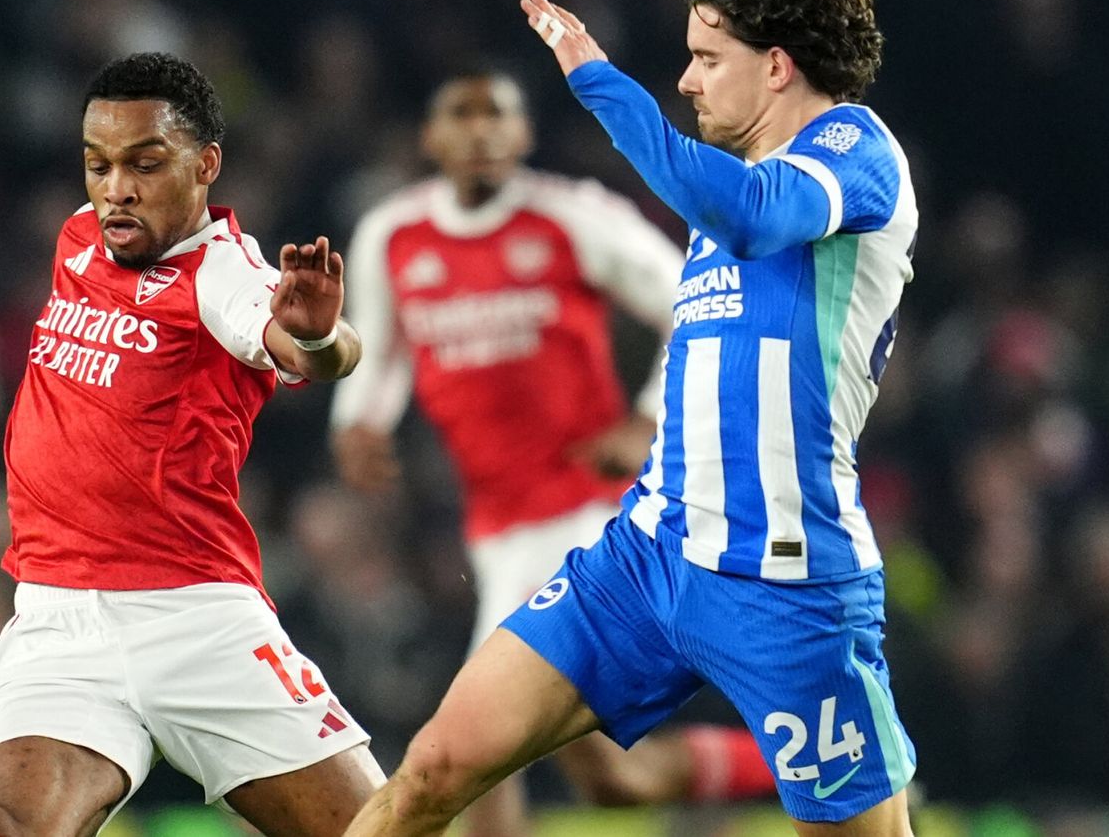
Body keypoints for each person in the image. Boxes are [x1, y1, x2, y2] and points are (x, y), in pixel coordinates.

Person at [346, 0, 919, 835]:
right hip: (645, 556)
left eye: (707, 58)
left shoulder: (854, 151)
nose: (688, 82)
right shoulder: (728, 184)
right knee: (435, 768)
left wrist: (597, 79)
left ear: (776, 67)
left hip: (787, 578)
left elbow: (752, 216)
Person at [331, 69, 776, 832]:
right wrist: (358, 422)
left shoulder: (573, 216)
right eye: (461, 113)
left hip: (587, 517)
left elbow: (701, 300)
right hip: (495, 527)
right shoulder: (391, 236)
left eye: (497, 114)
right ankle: (817, 763)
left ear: (524, 134)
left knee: (468, 749)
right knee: (613, 780)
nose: (481, 130)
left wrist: (647, 419)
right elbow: (377, 352)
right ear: (431, 137)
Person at [0, 52, 384, 837]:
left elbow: (312, 349)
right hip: (60, 625)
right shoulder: (80, 237)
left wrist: (318, 334)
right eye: (99, 164)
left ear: (205, 165)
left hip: (197, 621)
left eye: (146, 164)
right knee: (2, 829)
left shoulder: (223, 274)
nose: (116, 188)